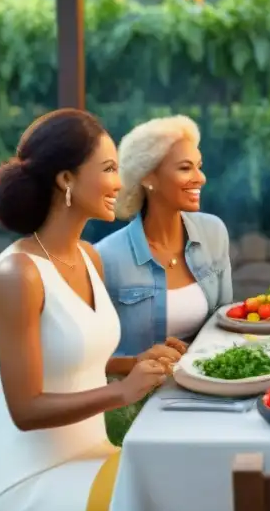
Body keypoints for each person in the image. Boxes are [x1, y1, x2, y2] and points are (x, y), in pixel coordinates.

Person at [0, 109, 184, 511]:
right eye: (109, 168)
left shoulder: (87, 258)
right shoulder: (17, 275)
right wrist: (123, 392)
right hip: (36, 485)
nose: (120, 182)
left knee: (191, 482)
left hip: (95, 459)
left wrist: (140, 364)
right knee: (175, 506)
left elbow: (75, 361)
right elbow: (25, 408)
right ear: (65, 179)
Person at [96, 115, 232, 356]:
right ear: (148, 177)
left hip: (209, 380)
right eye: (185, 168)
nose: (200, 178)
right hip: (140, 390)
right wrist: (137, 362)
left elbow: (226, 321)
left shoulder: (214, 232)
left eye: (198, 166)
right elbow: (87, 357)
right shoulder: (106, 257)